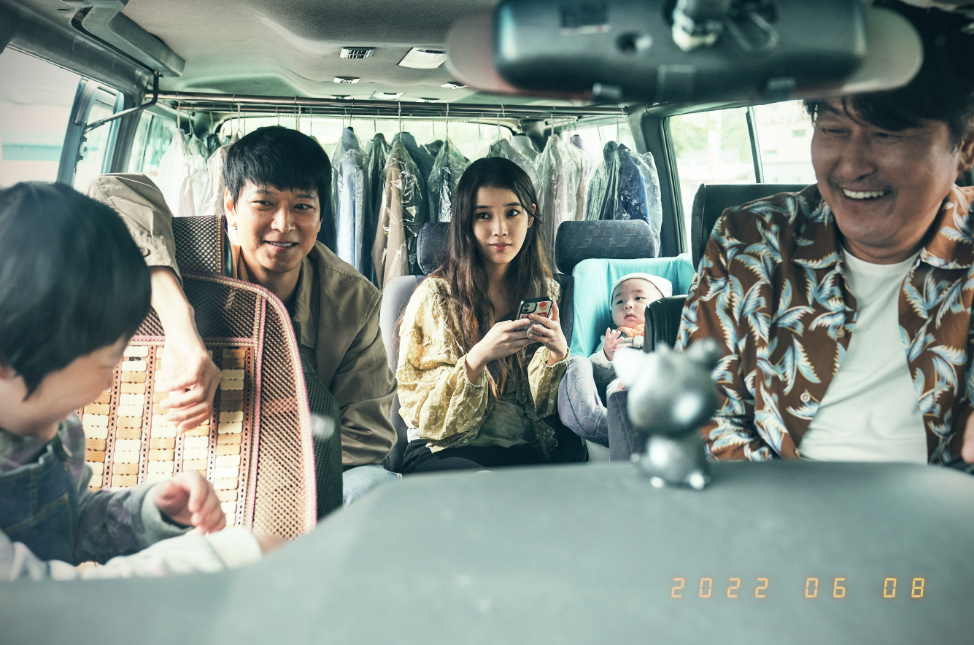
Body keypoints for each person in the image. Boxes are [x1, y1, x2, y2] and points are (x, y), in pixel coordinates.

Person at [676, 5, 974, 465]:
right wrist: (790, 502)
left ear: (966, 146)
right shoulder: (747, 243)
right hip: (777, 498)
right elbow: (700, 414)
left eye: (887, 134)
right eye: (833, 129)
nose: (851, 166)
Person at [88, 126, 398, 503]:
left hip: (291, 476)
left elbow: (367, 434)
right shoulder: (196, 252)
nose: (283, 224)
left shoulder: (352, 300)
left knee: (375, 486)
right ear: (231, 207)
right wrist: (180, 326)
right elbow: (109, 189)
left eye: (302, 206)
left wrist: (265, 477)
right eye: (264, 203)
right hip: (181, 457)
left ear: (320, 218)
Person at [0, 182, 281, 581]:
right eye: (107, 360)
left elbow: (73, 523)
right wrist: (223, 557)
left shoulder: (60, 427)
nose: (112, 379)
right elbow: (38, 596)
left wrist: (148, 512)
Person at [397, 157, 587, 472]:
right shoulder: (435, 296)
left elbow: (548, 411)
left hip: (524, 448)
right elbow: (425, 413)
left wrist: (556, 354)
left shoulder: (549, 292)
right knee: (483, 489)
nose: (500, 230)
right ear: (466, 223)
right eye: (483, 215)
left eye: (512, 213)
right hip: (448, 449)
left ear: (530, 215)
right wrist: (478, 357)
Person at [558, 273, 672, 445]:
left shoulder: (669, 330)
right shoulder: (612, 338)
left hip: (661, 384)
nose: (628, 305)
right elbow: (597, 376)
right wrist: (607, 355)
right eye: (619, 301)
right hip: (624, 384)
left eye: (638, 298)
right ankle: (626, 416)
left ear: (662, 305)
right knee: (616, 388)